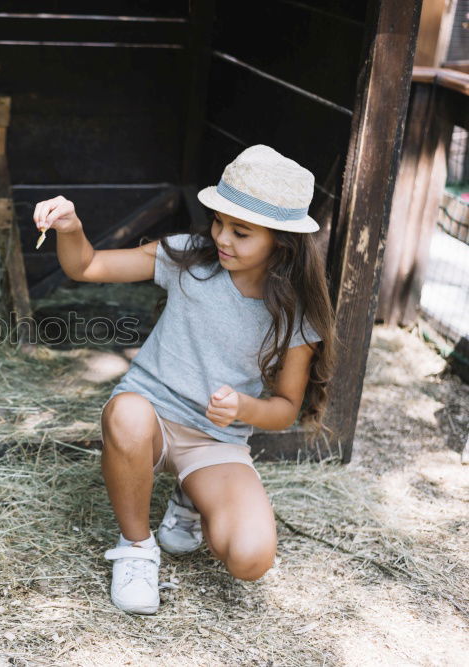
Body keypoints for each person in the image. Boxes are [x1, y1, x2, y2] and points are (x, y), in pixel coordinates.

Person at [32, 145, 336, 614]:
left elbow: (285, 410)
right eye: (218, 222)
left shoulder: (294, 313)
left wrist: (243, 407)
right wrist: (71, 227)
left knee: (251, 558)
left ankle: (190, 494)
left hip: (216, 440)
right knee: (128, 413)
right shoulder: (189, 257)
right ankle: (136, 549)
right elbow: (86, 266)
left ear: (282, 241)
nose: (222, 238)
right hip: (150, 416)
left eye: (241, 231)